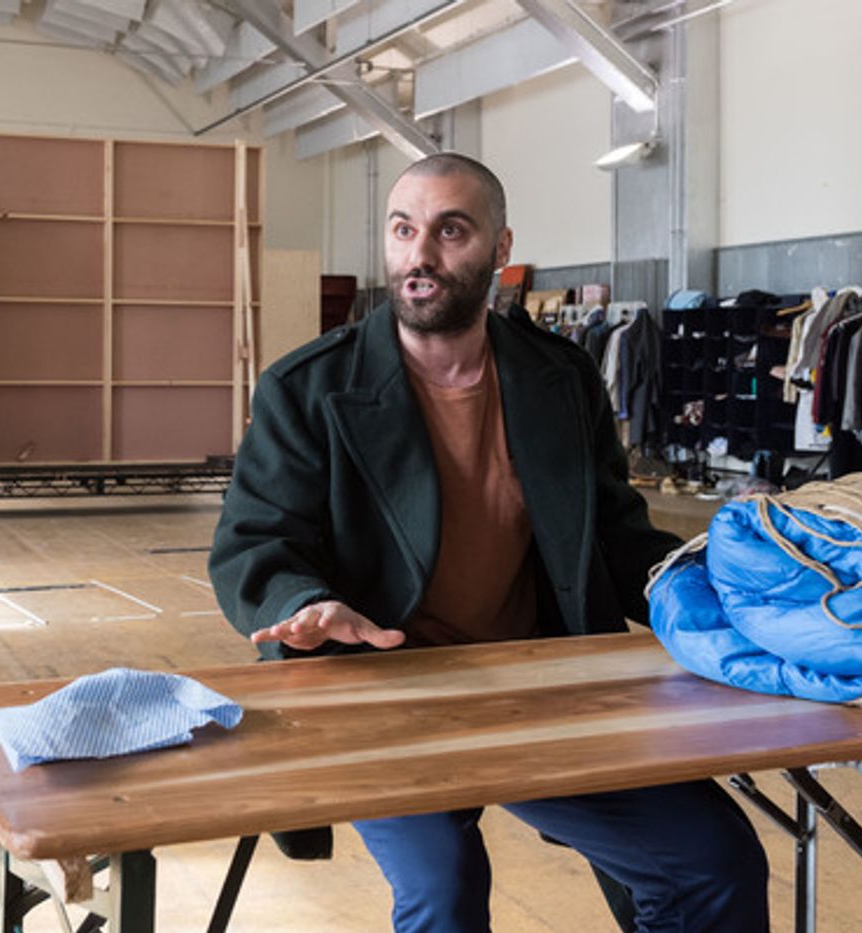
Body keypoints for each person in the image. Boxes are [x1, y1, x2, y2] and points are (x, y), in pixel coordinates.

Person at [208, 152, 768, 933]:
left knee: (712, 858)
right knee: (445, 890)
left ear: (501, 249)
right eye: (404, 230)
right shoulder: (307, 389)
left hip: (535, 681)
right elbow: (253, 542)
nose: (421, 255)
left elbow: (614, 532)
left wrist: (738, 583)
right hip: (384, 696)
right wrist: (307, 601)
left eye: (451, 231)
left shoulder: (560, 377)